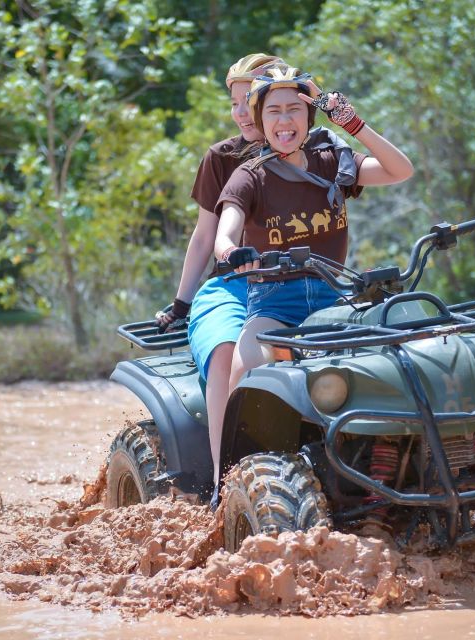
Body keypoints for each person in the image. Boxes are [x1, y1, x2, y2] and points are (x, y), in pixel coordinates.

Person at [156, 55, 357, 507]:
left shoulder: (316, 152)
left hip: (303, 282)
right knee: (227, 353)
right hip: (234, 284)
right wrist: (181, 302)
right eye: (235, 103)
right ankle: (222, 483)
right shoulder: (225, 159)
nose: (241, 112)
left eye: (249, 99)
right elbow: (207, 236)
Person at [210, 66, 413, 498]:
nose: (285, 121)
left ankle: (390, 469)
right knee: (245, 372)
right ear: (260, 120)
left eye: (294, 110)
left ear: (308, 117)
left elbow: (400, 170)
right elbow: (224, 233)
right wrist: (231, 253)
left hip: (334, 301)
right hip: (274, 306)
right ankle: (228, 488)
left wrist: (352, 124)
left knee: (397, 360)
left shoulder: (331, 162)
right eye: (274, 112)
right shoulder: (250, 176)